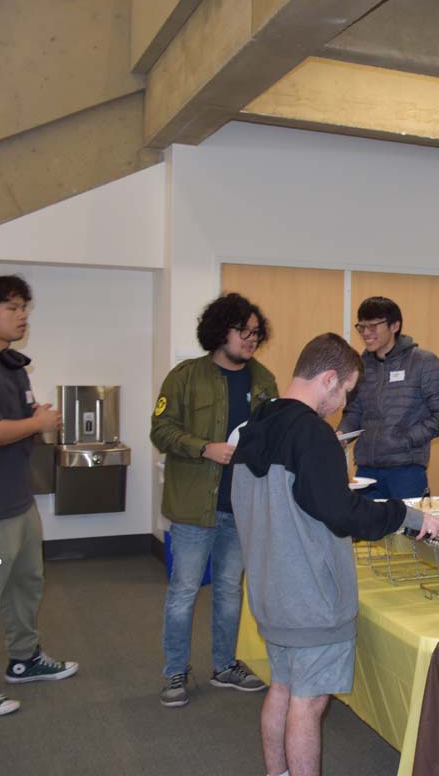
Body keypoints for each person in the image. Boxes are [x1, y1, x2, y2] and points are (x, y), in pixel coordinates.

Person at [231, 333, 439, 776]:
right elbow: (340, 513)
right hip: (311, 598)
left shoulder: (254, 426)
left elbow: (285, 499)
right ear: (329, 379)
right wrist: (402, 514)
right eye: (345, 390)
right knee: (307, 705)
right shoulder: (313, 434)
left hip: (270, 589)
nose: (342, 402)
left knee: (283, 689)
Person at [151, 292, 278, 708]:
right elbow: (161, 430)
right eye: (244, 331)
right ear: (220, 330)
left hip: (241, 507)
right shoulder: (185, 376)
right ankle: (175, 671)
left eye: (257, 333)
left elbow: (272, 437)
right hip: (193, 507)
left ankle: (225, 665)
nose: (251, 339)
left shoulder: (263, 380)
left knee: (228, 590)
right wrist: (204, 447)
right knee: (184, 590)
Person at [0, 275, 77, 718]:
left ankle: (24, 658)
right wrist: (36, 425)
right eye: (12, 307)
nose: (22, 315)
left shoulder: (10, 364)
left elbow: (10, 423)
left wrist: (35, 419)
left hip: (18, 501)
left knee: (25, 587)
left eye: (23, 307)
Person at [338, 296, 439, 499]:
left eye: (373, 326)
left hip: (407, 470)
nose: (366, 333)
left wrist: (405, 439)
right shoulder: (361, 366)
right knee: (365, 529)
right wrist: (343, 433)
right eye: (361, 327)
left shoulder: (423, 362)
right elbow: (354, 411)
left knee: (407, 530)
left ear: (394, 326)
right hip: (366, 471)